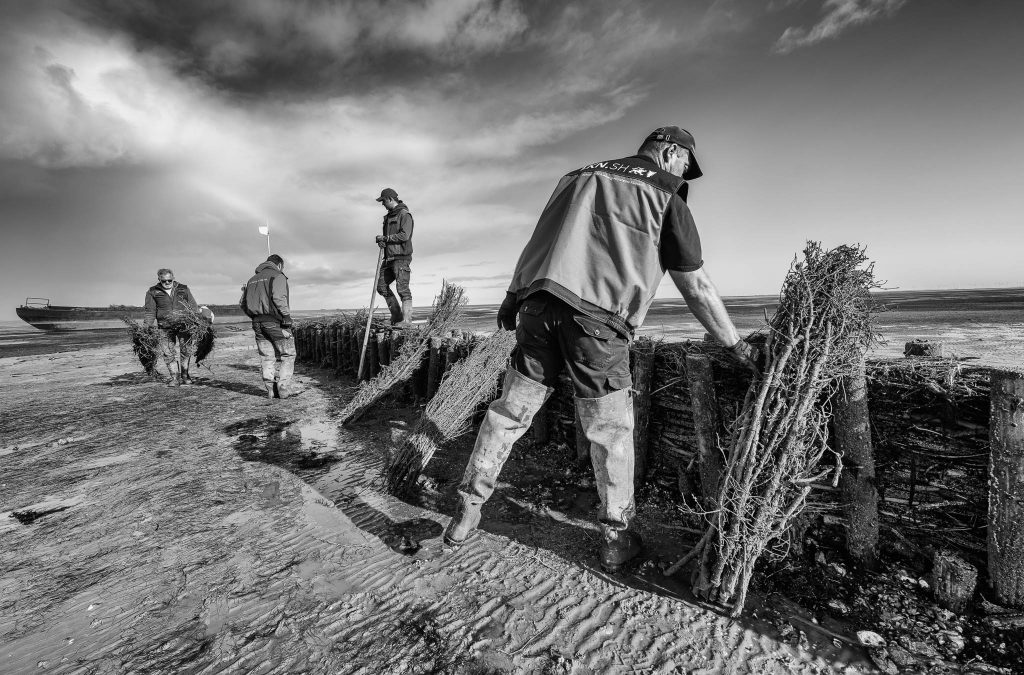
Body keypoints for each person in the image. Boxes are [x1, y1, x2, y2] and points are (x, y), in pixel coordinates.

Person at [443, 126, 761, 573]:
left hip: (537, 306)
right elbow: (695, 284)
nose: (683, 172)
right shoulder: (666, 192)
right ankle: (616, 538)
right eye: (685, 163)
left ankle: (467, 510)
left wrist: (513, 296)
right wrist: (736, 344)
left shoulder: (577, 176)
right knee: (609, 431)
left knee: (508, 413)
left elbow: (539, 239)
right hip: (596, 323)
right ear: (671, 151)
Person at [240, 254, 296, 399]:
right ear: (279, 265)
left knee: (266, 357)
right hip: (275, 323)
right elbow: (279, 297)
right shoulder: (277, 276)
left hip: (257, 323)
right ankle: (283, 388)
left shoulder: (251, 280)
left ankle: (270, 390)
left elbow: (243, 304)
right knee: (288, 354)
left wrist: (255, 316)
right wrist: (286, 316)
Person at [144, 268, 200, 387]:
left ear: (173, 278)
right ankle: (174, 377)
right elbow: (150, 311)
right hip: (164, 327)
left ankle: (185, 375)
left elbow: (193, 306)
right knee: (167, 352)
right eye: (164, 281)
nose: (167, 283)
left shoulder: (183, 289)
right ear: (159, 279)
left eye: (169, 280)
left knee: (186, 350)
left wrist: (197, 321)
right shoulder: (152, 291)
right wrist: (146, 327)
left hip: (184, 325)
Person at [374, 187, 414, 327]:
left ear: (390, 199)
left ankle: (407, 321)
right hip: (388, 258)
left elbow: (404, 236)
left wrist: (386, 238)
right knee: (381, 286)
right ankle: (396, 317)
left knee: (402, 289)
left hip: (401, 257)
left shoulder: (404, 215)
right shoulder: (388, 217)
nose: (382, 204)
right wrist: (383, 242)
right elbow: (389, 238)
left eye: (383, 201)